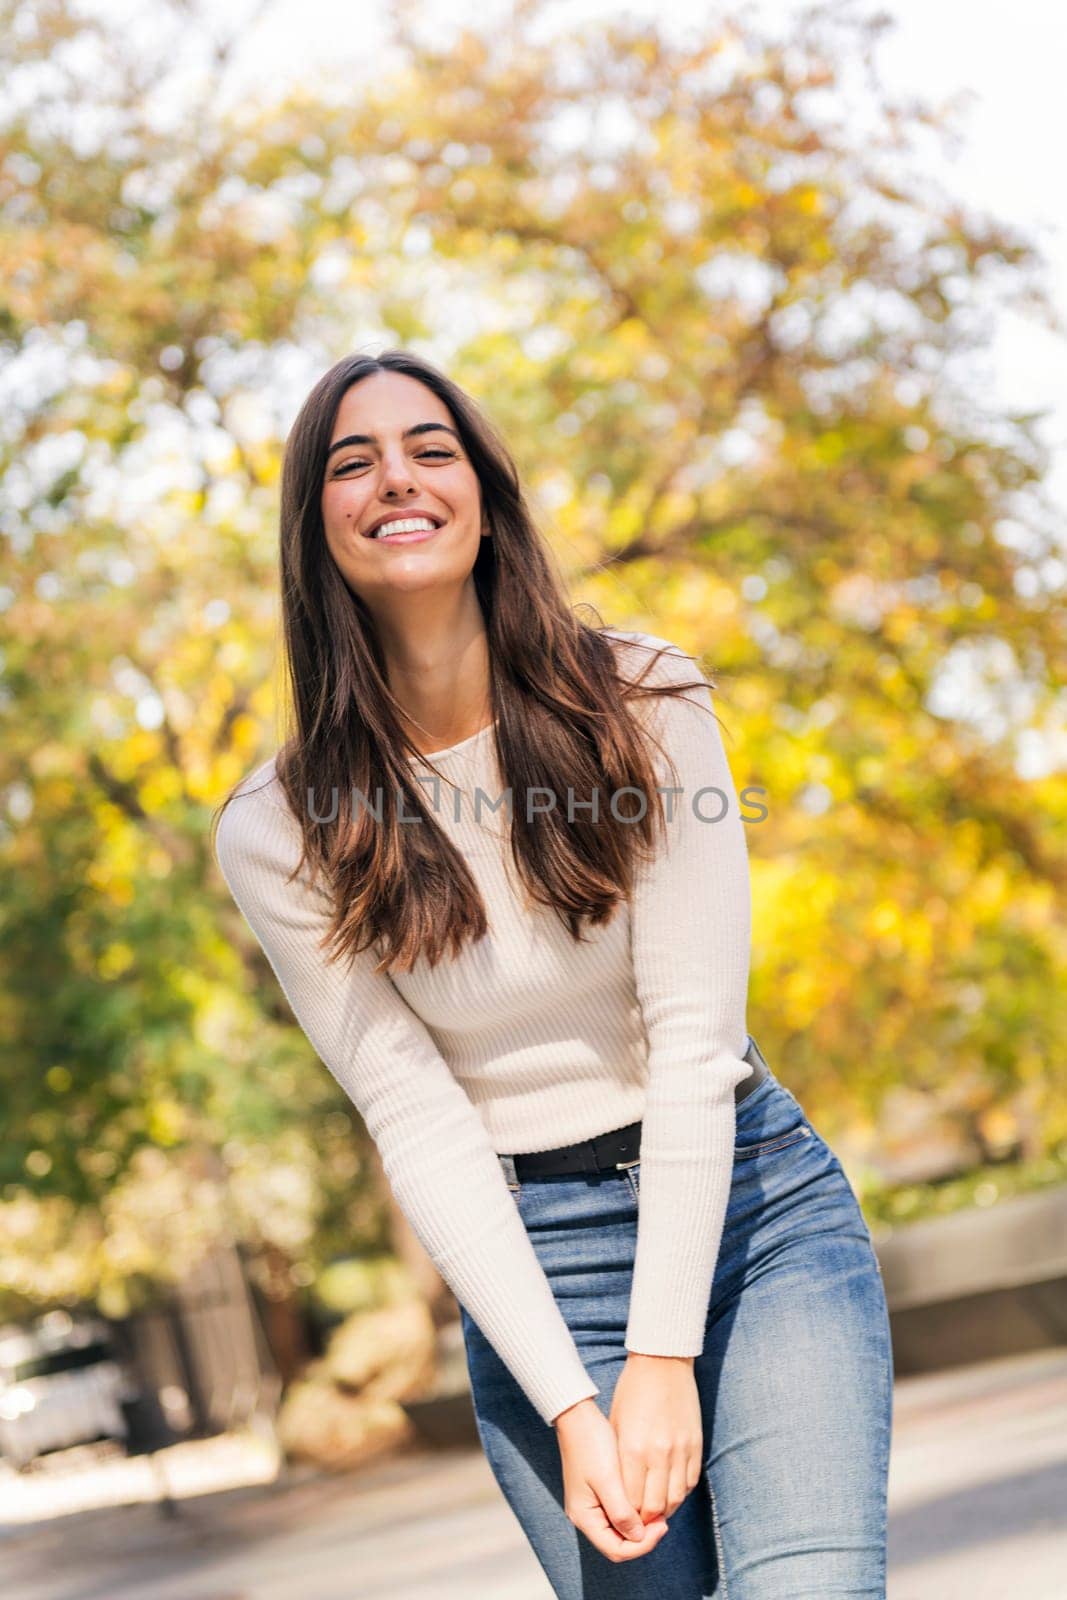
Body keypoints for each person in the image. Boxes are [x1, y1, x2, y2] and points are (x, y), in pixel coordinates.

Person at [212, 348, 893, 1598]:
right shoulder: (279, 824)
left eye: (430, 448)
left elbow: (692, 1042)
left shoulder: (643, 701)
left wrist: (660, 1353)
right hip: (534, 1270)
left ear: (484, 493)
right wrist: (579, 1404)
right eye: (350, 463)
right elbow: (412, 1112)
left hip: (748, 1214)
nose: (395, 479)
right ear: (314, 526)